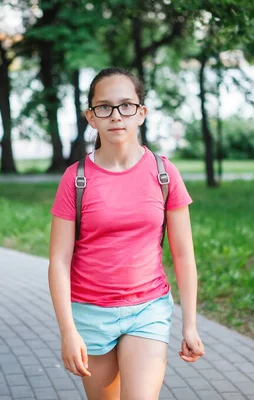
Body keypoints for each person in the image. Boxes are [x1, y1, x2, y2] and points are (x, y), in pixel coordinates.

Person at [48, 67, 205, 400]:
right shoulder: (75, 179)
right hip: (90, 313)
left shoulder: (165, 174)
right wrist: (67, 331)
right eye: (104, 107)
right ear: (91, 117)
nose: (116, 115)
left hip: (147, 310)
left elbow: (183, 254)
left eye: (126, 106)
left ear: (141, 113)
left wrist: (189, 324)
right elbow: (59, 261)